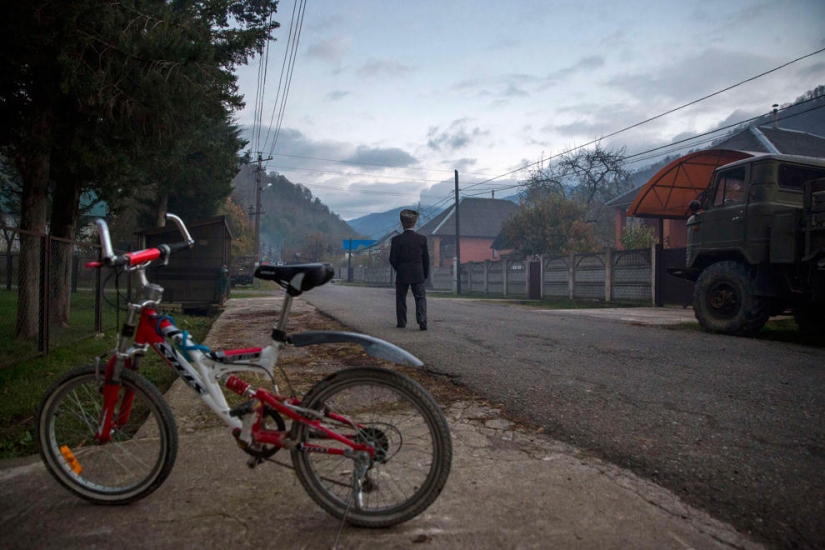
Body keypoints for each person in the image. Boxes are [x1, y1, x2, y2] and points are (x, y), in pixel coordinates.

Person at [389, 209, 429, 330]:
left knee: (401, 298)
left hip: (402, 273)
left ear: (402, 223)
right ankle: (422, 320)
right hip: (418, 273)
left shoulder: (396, 240)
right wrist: (425, 274)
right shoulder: (422, 239)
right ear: (414, 223)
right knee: (420, 297)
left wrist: (399, 268)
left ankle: (401, 322)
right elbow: (426, 259)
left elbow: (392, 259)